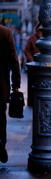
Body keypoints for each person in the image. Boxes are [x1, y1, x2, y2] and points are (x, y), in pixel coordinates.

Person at [0, 24, 21, 163]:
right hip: (0, 88)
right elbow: (14, 61)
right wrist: (16, 86)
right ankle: (1, 143)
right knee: (1, 118)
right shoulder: (5, 33)